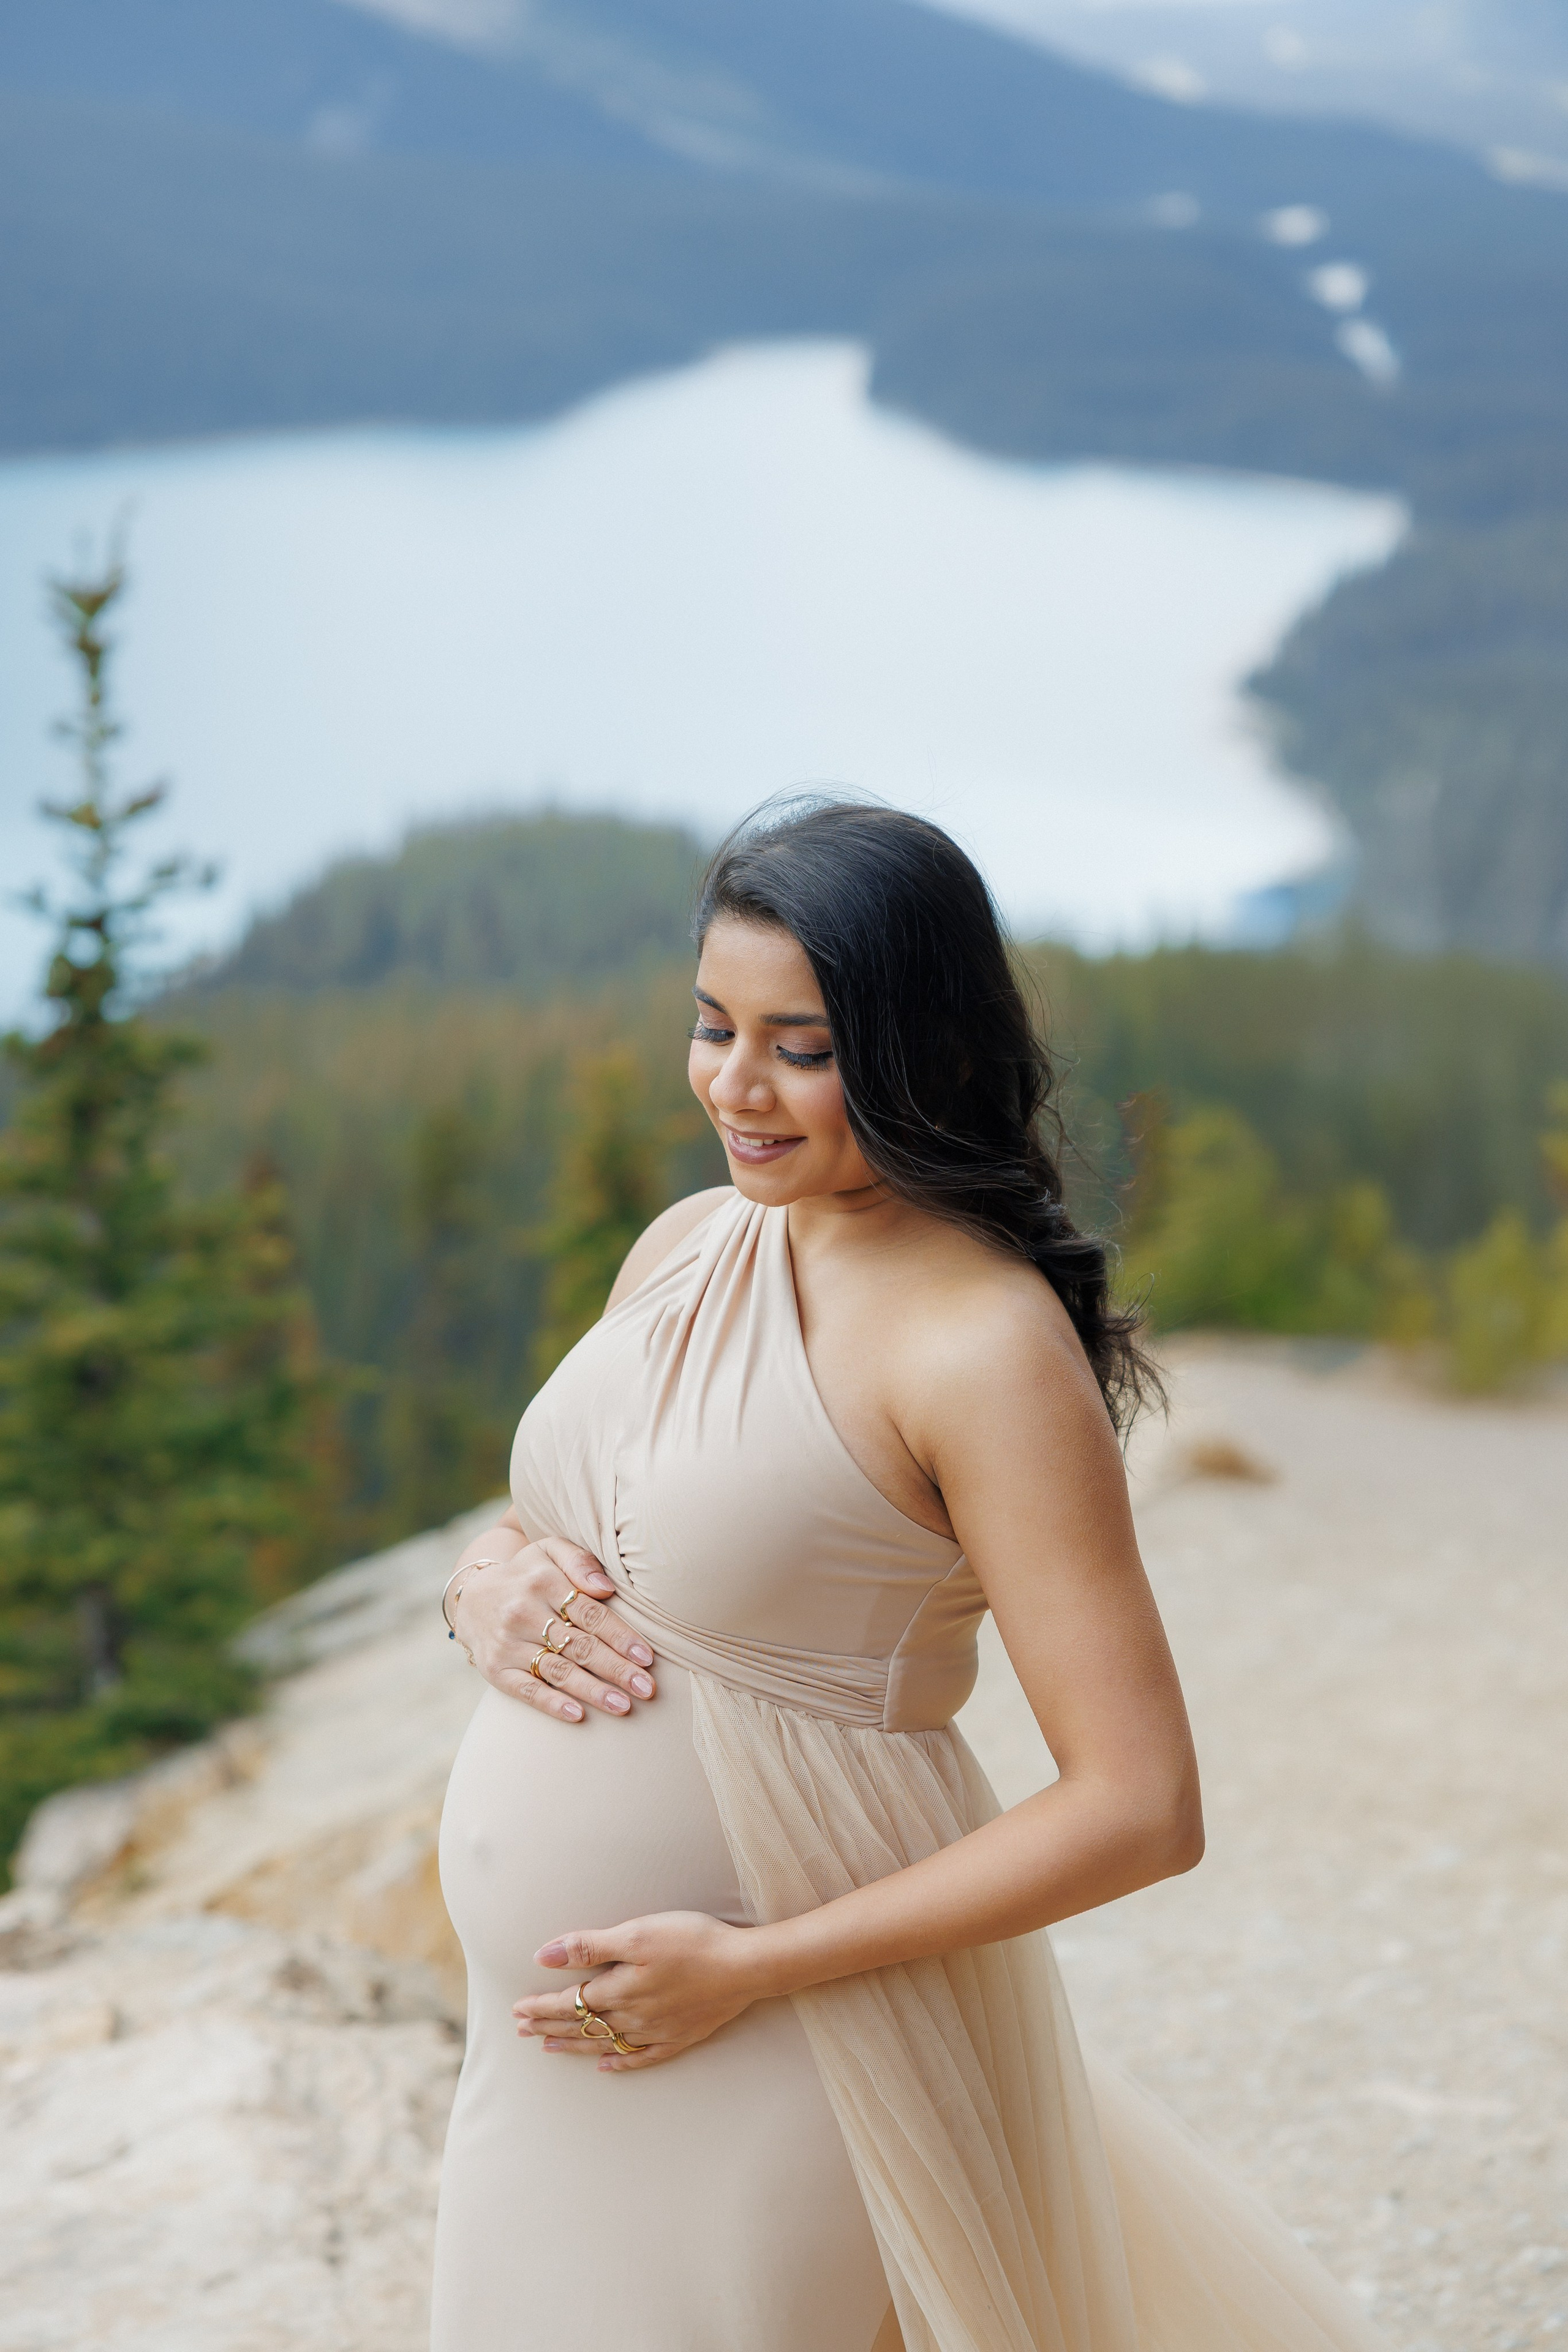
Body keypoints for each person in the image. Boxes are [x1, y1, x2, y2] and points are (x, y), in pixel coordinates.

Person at [430, 799, 1385, 2352]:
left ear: (919, 1047)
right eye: (711, 1026)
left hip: (789, 2037)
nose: (735, 1087)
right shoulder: (688, 1244)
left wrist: (748, 1969)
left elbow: (1140, 1803)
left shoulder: (982, 1348)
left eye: (799, 1047)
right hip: (544, 2050)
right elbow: (580, 1521)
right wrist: (479, 1580)